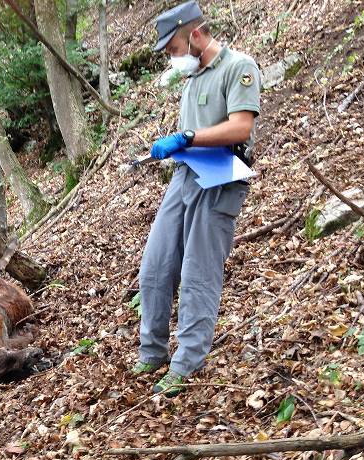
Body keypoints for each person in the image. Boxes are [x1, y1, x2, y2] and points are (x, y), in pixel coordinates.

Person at [133, 0, 261, 397]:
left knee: (197, 275)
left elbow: (240, 128)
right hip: (185, 175)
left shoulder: (239, 67)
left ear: (195, 34)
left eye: (172, 50)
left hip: (221, 178)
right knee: (154, 266)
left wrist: (188, 137)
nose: (173, 59)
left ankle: (185, 363)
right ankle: (151, 352)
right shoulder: (191, 80)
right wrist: (173, 147)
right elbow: (190, 136)